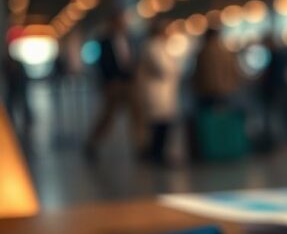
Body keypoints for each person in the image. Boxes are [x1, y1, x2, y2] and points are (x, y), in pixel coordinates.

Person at [84, 9, 141, 160]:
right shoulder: (104, 41)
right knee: (108, 116)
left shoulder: (129, 38)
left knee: (137, 115)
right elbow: (102, 64)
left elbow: (132, 58)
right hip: (113, 83)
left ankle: (141, 145)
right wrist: (108, 81)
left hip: (128, 82)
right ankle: (92, 143)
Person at [136, 19, 181, 165]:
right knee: (158, 125)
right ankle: (156, 154)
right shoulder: (153, 47)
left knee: (163, 124)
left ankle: (159, 153)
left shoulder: (161, 46)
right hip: (157, 91)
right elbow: (163, 69)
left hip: (164, 91)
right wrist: (175, 69)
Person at [192, 26, 243, 109]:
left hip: (207, 91)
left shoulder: (203, 53)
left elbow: (198, 74)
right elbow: (234, 71)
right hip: (225, 91)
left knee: (208, 117)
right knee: (223, 117)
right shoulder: (225, 52)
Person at [2, 43, 32, 136]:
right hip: (13, 87)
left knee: (22, 103)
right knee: (11, 104)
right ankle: (10, 119)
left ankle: (27, 118)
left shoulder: (15, 63)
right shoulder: (6, 63)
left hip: (18, 86)